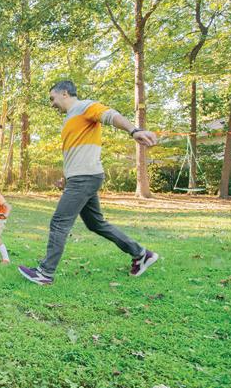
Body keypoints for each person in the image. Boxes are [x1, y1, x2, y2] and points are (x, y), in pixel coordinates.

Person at [17, 80, 159, 285]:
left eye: (52, 98)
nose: (52, 103)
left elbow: (110, 115)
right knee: (95, 223)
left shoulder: (84, 107)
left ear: (64, 93)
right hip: (81, 177)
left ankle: (45, 273)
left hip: (84, 178)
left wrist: (134, 131)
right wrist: (67, 177)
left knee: (59, 222)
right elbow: (75, 153)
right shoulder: (70, 119)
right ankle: (141, 254)